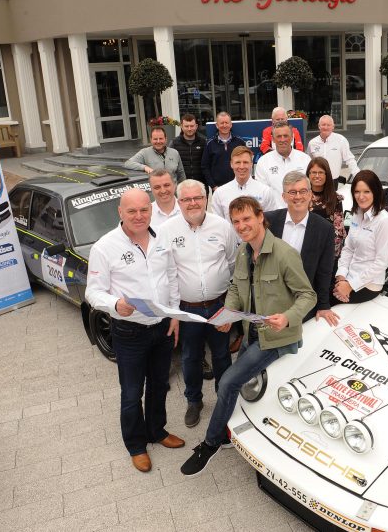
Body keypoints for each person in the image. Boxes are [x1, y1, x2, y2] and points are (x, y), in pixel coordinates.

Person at [180, 196, 316, 476]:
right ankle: (233, 432)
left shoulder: (283, 253)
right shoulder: (243, 251)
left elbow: (308, 295)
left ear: (260, 217)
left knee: (228, 381)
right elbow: (235, 287)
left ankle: (211, 442)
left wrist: (288, 317)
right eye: (236, 221)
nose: (242, 225)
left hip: (276, 338)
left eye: (247, 219)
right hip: (250, 333)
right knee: (236, 386)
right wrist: (228, 314)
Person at [85, 188, 184, 473]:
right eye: (132, 211)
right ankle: (136, 445)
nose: (139, 216)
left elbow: (171, 276)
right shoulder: (105, 247)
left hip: (162, 325)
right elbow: (93, 292)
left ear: (150, 210)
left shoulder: (162, 237)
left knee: (160, 384)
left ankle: (157, 431)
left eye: (144, 210)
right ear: (120, 212)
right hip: (129, 331)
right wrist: (115, 304)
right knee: (131, 392)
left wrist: (175, 315)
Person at [161, 180, 238, 428]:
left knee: (222, 355)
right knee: (190, 358)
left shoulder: (223, 227)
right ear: (178, 201)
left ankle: (224, 399)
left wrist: (231, 306)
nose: (193, 203)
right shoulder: (167, 230)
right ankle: (194, 401)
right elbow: (167, 274)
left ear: (206, 199)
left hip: (219, 305)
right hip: (187, 309)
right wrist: (172, 312)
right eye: (186, 199)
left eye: (198, 198)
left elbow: (233, 264)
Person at [265, 171, 338, 326]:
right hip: (269, 300)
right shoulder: (268, 221)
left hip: (302, 303)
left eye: (303, 191)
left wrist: (324, 305)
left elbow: (324, 271)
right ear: (284, 196)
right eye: (292, 192)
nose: (298, 196)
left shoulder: (324, 229)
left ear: (310, 194)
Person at [334, 170, 388, 304]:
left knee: (326, 300)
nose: (361, 196)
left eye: (366, 192)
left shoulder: (385, 221)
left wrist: (350, 285)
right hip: (348, 276)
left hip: (368, 284)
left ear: (376, 192)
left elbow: (381, 263)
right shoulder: (356, 214)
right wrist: (341, 276)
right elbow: (348, 248)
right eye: (357, 192)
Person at [211, 145, 279, 221]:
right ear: (231, 164)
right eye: (238, 162)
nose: (242, 166)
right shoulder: (219, 193)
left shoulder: (265, 191)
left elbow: (271, 222)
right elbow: (218, 225)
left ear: (251, 164)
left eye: (245, 162)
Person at [255, 123, 311, 206]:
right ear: (273, 139)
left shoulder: (305, 159)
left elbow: (310, 189)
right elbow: (261, 193)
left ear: (292, 137)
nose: (282, 139)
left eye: (285, 136)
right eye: (278, 136)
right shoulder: (263, 162)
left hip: (301, 212)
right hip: (275, 215)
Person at [306, 157, 346, 259]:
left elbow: (339, 231)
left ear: (326, 175)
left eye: (321, 172)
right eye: (313, 172)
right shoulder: (302, 197)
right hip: (305, 250)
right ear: (308, 175)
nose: (317, 176)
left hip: (327, 252)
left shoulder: (335, 199)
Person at [307, 114, 359, 185]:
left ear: (333, 127)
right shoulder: (312, 143)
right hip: (317, 181)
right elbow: (309, 162)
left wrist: (358, 176)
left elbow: (349, 159)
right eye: (323, 124)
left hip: (333, 181)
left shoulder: (341, 140)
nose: (326, 127)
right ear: (319, 126)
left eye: (328, 125)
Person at [201, 112, 246, 191]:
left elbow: (246, 162)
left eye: (226, 123)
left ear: (231, 125)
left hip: (239, 186)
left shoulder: (240, 142)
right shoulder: (210, 144)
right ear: (217, 125)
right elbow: (205, 166)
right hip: (218, 188)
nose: (224, 125)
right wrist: (213, 186)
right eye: (222, 123)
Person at [171, 113, 207, 185]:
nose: (189, 129)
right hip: (182, 184)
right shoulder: (174, 143)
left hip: (201, 183)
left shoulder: (204, 142)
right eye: (186, 126)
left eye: (192, 126)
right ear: (181, 126)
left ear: (196, 126)